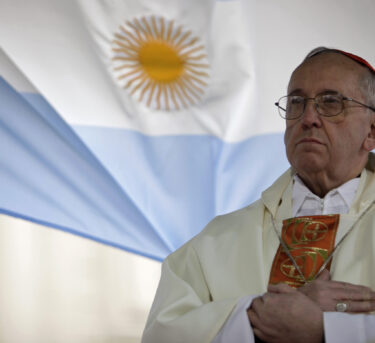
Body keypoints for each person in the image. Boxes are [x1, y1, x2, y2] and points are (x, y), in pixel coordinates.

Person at [142, 47, 375, 343]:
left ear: (372, 131)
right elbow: (162, 333)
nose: (309, 118)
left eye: (331, 103)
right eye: (297, 103)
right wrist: (254, 315)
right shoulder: (218, 241)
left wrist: (328, 330)